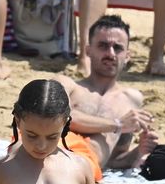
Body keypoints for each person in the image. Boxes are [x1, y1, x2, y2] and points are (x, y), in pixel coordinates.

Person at [53, 16, 157, 173]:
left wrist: (139, 151)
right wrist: (118, 125)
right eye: (103, 46)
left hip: (87, 171)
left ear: (127, 56)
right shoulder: (67, 84)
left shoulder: (130, 99)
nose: (110, 53)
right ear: (88, 50)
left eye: (118, 48)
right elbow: (56, 118)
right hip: (53, 161)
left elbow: (113, 161)